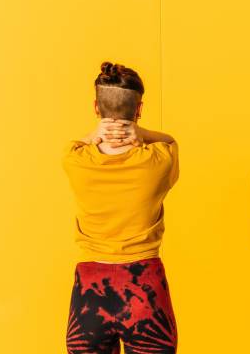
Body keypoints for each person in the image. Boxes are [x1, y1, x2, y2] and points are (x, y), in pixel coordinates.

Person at [61, 61, 179, 354]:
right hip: (145, 292)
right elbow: (171, 140)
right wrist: (141, 133)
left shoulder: (74, 160)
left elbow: (78, 143)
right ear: (138, 110)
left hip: (89, 296)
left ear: (95, 108)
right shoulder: (159, 160)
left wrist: (96, 135)